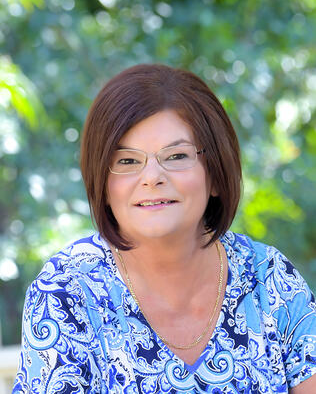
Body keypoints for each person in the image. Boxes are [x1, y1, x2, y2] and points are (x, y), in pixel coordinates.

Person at [13, 64, 316, 394]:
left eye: (176, 156)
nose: (152, 177)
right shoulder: (67, 291)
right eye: (127, 161)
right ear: (102, 182)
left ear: (214, 173)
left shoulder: (269, 280)